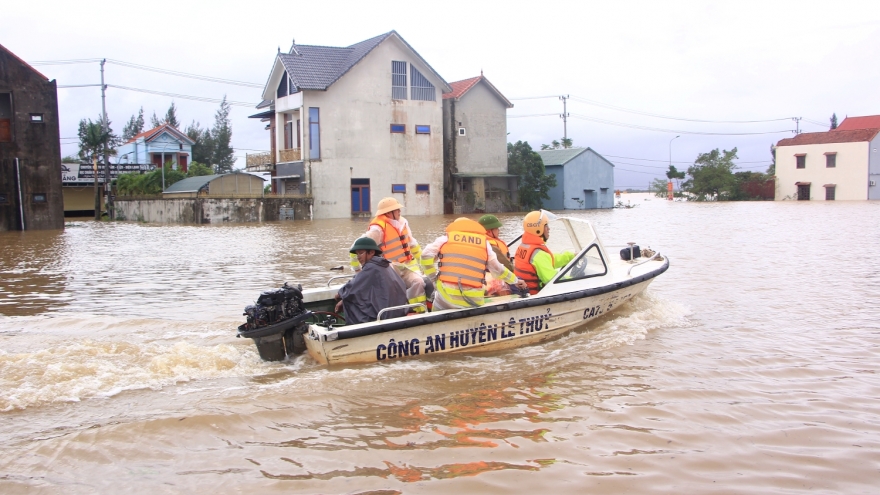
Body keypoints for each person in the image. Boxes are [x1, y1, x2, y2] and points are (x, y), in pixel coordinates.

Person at [421, 217, 528, 310]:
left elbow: (425, 255)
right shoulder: (484, 244)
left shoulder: (445, 240)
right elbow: (498, 269)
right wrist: (515, 281)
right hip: (473, 301)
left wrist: (433, 278)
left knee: (436, 300)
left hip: (447, 300)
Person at [350, 197, 428, 311]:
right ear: (389, 213)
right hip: (389, 268)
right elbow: (356, 247)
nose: (399, 211)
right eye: (397, 209)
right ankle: (398, 312)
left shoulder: (403, 223)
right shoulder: (377, 229)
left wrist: (423, 264)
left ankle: (418, 311)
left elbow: (413, 245)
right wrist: (357, 270)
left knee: (419, 282)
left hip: (407, 266)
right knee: (393, 289)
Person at [335, 237, 408, 324]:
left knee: (349, 300)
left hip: (384, 315)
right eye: (357, 254)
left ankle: (354, 330)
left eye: (361, 253)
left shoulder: (371, 267)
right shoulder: (383, 264)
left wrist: (340, 294)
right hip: (397, 312)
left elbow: (352, 287)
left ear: (372, 252)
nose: (358, 257)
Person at [514, 210, 576, 295]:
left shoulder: (525, 246)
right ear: (538, 229)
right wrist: (576, 279)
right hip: (536, 296)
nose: (549, 229)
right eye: (546, 226)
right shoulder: (538, 254)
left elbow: (550, 259)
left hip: (525, 293)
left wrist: (572, 256)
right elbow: (553, 280)